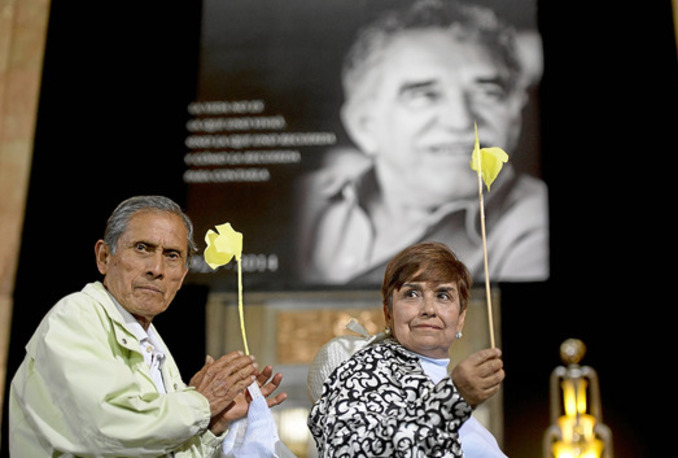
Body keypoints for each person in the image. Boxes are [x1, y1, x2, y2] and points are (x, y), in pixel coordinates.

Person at [8, 195, 286, 457]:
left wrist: (213, 424)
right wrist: (202, 403)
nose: (157, 269)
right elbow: (106, 429)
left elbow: (151, 447)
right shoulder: (75, 316)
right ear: (104, 257)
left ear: (183, 276)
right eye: (142, 248)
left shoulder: (154, 346)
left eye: (172, 255)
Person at [296, 0, 548, 286]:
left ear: (515, 118)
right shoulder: (304, 200)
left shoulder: (535, 226)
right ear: (363, 125)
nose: (460, 121)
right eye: (423, 95)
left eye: (487, 93)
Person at [308, 241, 507, 457]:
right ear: (388, 312)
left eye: (442, 295)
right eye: (412, 294)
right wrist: (452, 400)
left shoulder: (447, 385)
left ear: (460, 318)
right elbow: (351, 452)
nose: (428, 309)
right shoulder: (369, 369)